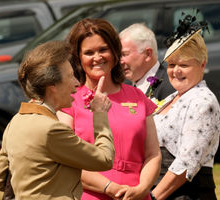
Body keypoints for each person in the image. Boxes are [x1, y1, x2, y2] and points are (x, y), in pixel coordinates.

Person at [57, 18, 161, 200]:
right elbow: (66, 159)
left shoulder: (138, 97)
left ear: (114, 52)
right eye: (89, 52)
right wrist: (110, 188)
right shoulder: (68, 101)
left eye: (103, 49)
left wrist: (143, 188)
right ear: (78, 59)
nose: (97, 57)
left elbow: (153, 154)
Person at [0, 40, 115, 200]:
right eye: (70, 76)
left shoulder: (16, 121)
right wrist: (100, 114)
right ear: (52, 85)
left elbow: (1, 179)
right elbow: (105, 159)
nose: (76, 83)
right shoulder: (50, 129)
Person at [150, 14, 220, 200]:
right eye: (171, 64)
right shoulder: (172, 98)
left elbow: (186, 163)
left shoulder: (202, 101)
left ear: (202, 64)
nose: (176, 71)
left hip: (186, 193)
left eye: (184, 65)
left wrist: (152, 197)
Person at [119, 23, 175, 101]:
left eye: (124, 54)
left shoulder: (171, 85)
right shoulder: (124, 87)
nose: (120, 61)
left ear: (148, 54)